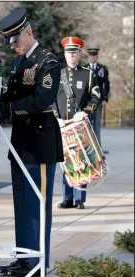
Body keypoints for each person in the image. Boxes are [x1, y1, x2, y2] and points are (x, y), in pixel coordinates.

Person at [0, 8, 64, 277]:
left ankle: (38, 260)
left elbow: (41, 101)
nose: (12, 45)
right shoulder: (20, 63)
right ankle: (25, 256)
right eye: (9, 40)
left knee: (37, 204)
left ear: (28, 33)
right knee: (22, 203)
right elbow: (12, 93)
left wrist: (5, 110)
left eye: (15, 39)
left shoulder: (48, 62)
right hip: (21, 143)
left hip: (40, 142)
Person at [55, 36, 101, 210]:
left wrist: (85, 112)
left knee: (81, 159)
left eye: (74, 53)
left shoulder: (88, 74)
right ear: (65, 55)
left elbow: (96, 96)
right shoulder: (58, 74)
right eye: (68, 53)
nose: (71, 56)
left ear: (79, 54)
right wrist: (55, 117)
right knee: (65, 160)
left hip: (79, 124)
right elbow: (51, 99)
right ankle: (67, 197)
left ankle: (80, 198)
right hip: (63, 124)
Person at [85, 46, 110, 147]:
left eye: (94, 55)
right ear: (88, 57)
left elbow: (106, 84)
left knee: (97, 125)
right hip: (87, 101)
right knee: (87, 124)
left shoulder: (102, 69)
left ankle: (98, 147)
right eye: (91, 55)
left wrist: (105, 98)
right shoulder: (84, 68)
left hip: (98, 101)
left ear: (97, 56)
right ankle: (88, 146)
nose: (93, 57)